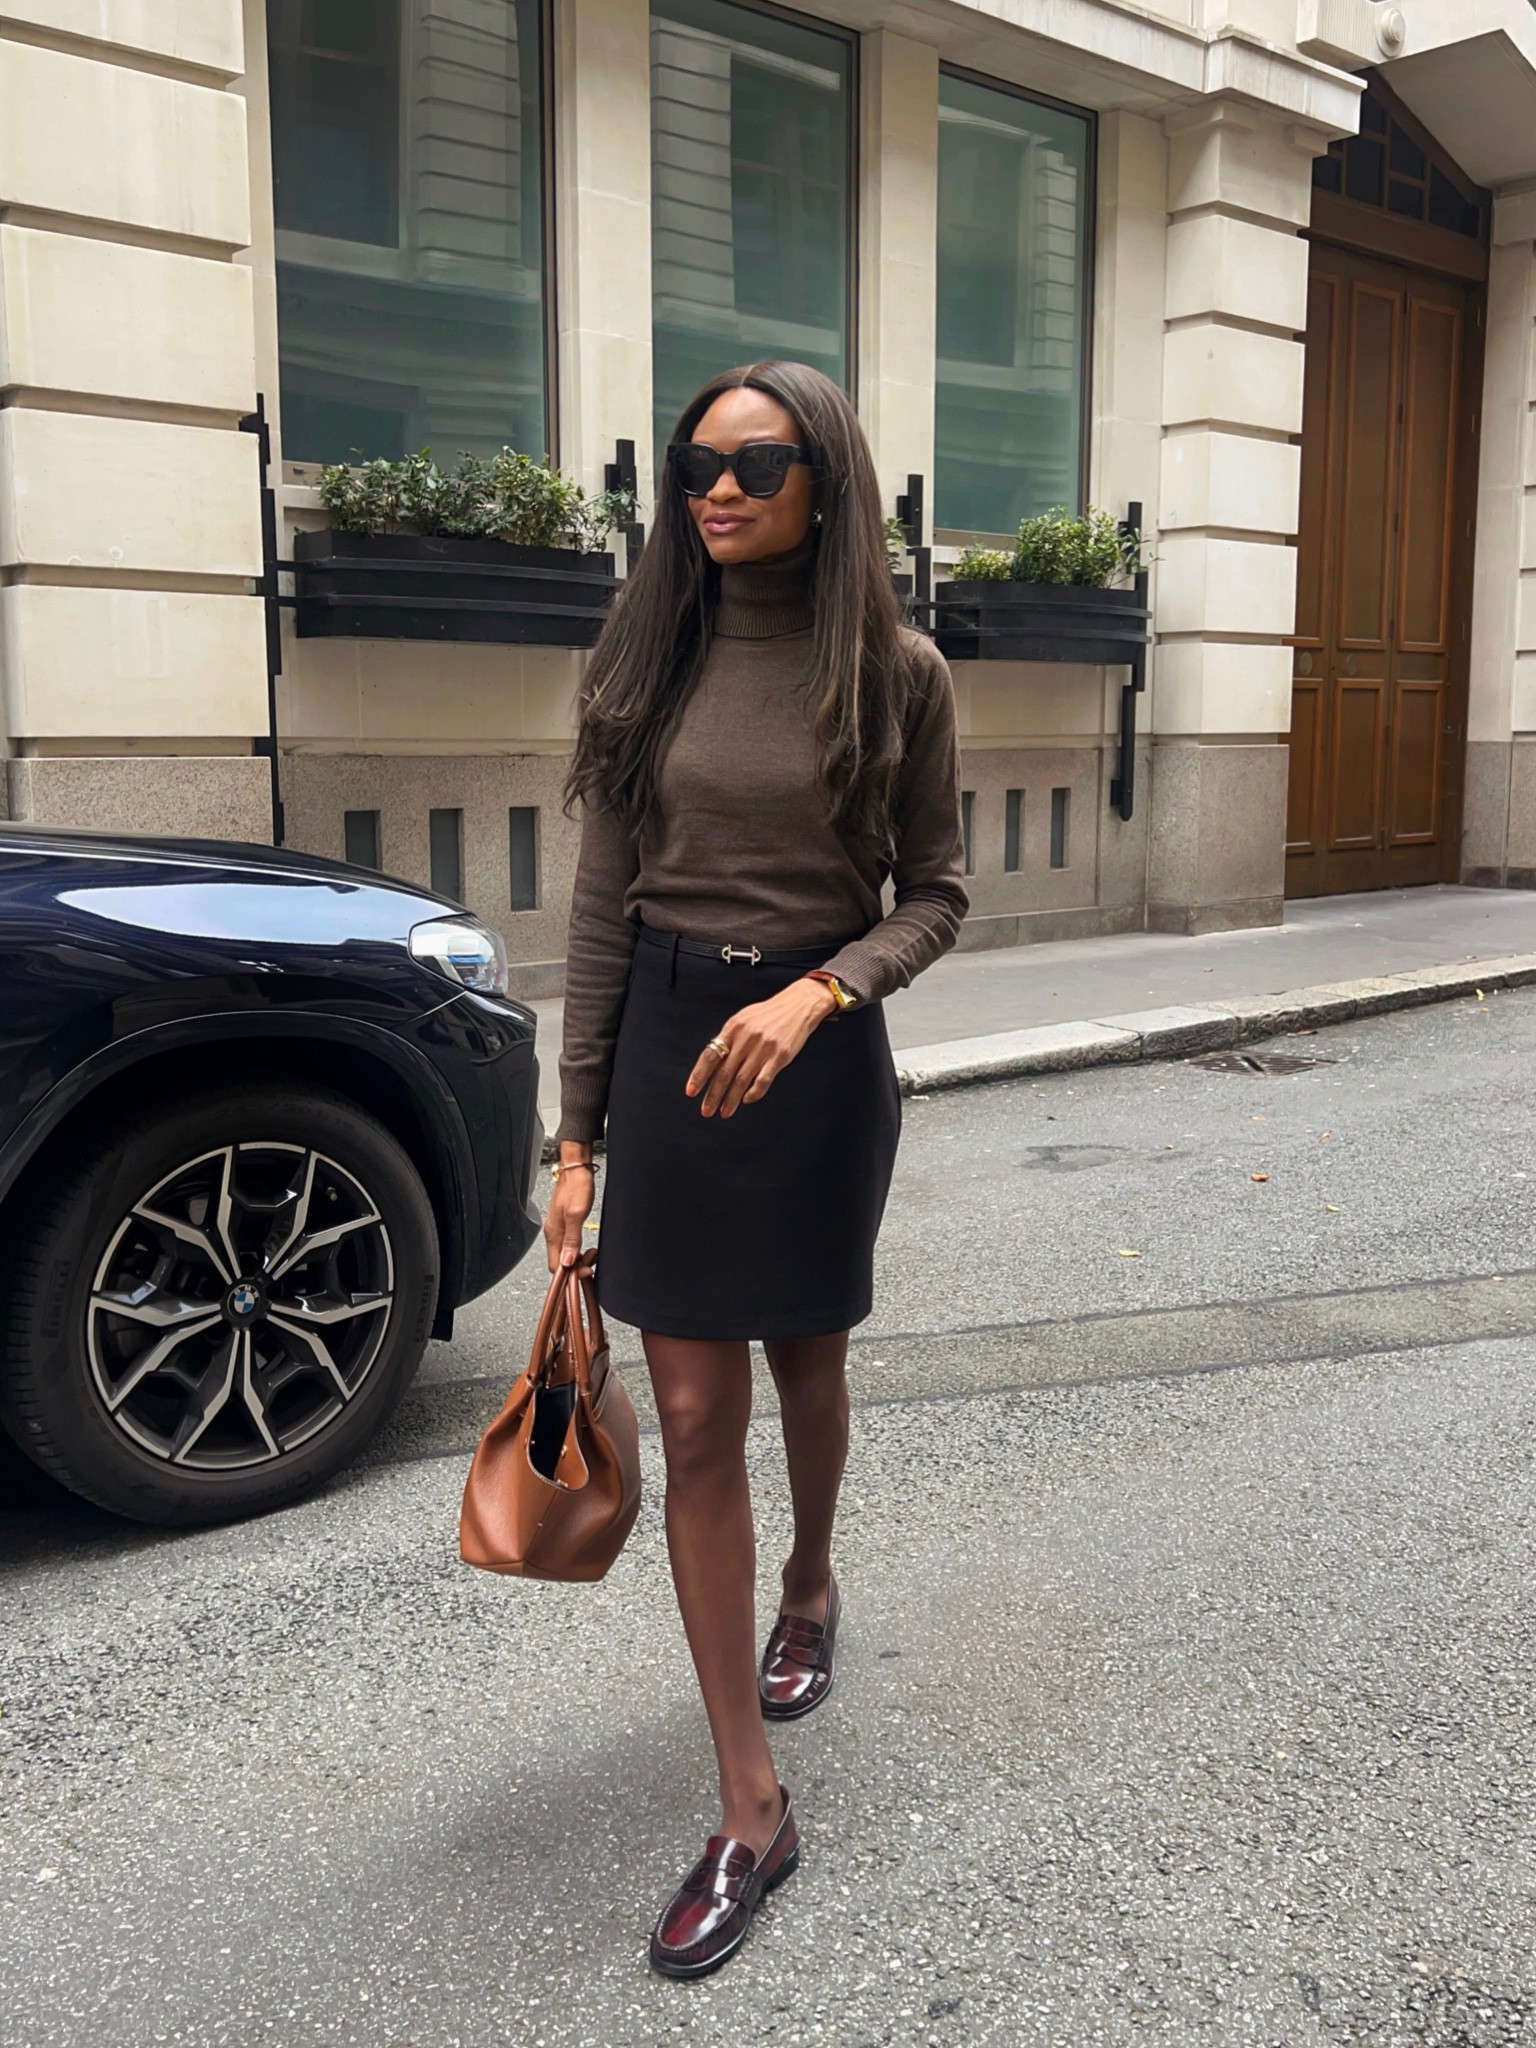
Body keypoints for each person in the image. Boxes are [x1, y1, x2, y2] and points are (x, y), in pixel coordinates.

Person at [544, 360, 967, 1978]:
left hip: (812, 1053)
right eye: (696, 462)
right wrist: (576, 1135)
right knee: (700, 1413)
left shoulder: (899, 674)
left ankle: (812, 1582)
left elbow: (932, 894)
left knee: (807, 1361)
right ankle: (749, 1806)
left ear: (824, 477)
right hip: (665, 1045)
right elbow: (599, 910)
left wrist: (817, 992)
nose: (716, 487)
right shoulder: (647, 652)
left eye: (755, 461)